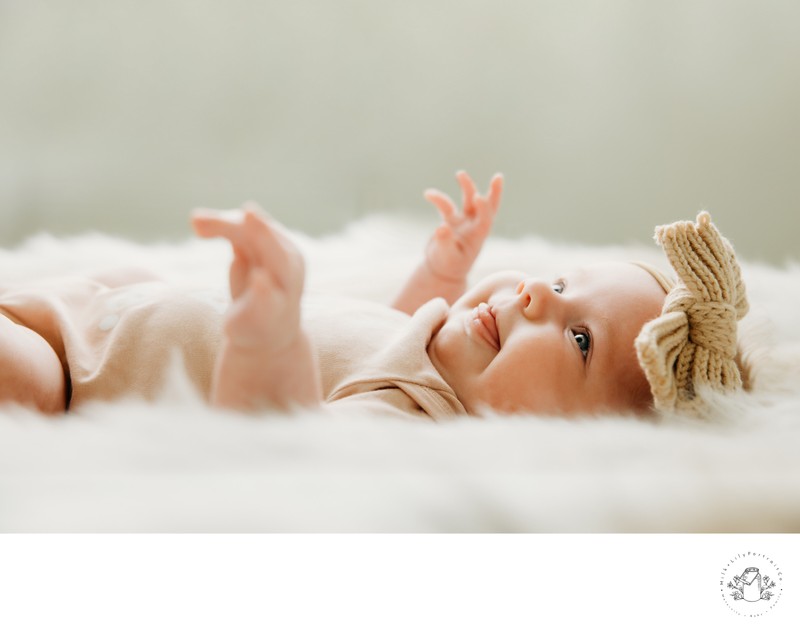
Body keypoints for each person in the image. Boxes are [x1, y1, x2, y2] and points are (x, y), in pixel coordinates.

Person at [0, 172, 749, 419]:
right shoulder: (424, 348)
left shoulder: (405, 414)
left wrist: (269, 345)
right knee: (132, 276)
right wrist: (443, 274)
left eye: (578, 336)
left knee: (17, 382)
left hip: (77, 376)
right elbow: (383, 325)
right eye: (556, 284)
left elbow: (279, 440)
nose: (532, 297)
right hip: (109, 306)